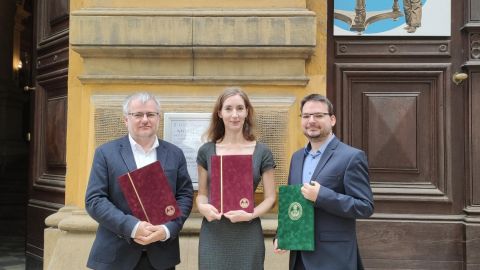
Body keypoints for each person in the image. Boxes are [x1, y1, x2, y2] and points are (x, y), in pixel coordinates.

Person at [85, 92, 194, 270]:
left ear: (158, 118)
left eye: (151, 114)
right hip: (116, 255)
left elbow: (185, 196)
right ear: (126, 120)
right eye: (138, 114)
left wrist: (167, 230)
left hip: (161, 256)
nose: (145, 119)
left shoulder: (175, 154)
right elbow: (95, 200)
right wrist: (132, 226)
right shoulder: (106, 153)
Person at [274, 94, 374, 270]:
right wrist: (282, 235)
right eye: (306, 116)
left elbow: (365, 206)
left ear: (332, 119)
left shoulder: (351, 157)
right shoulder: (296, 158)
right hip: (299, 257)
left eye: (319, 115)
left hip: (333, 257)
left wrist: (322, 196)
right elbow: (292, 202)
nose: (311, 120)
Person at [196, 87, 276, 270]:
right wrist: (202, 206)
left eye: (240, 108)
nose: (235, 115)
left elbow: (270, 198)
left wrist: (250, 214)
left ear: (247, 112)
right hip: (214, 232)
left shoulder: (262, 152)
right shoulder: (206, 151)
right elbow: (201, 194)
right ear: (219, 113)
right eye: (228, 108)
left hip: (248, 230)